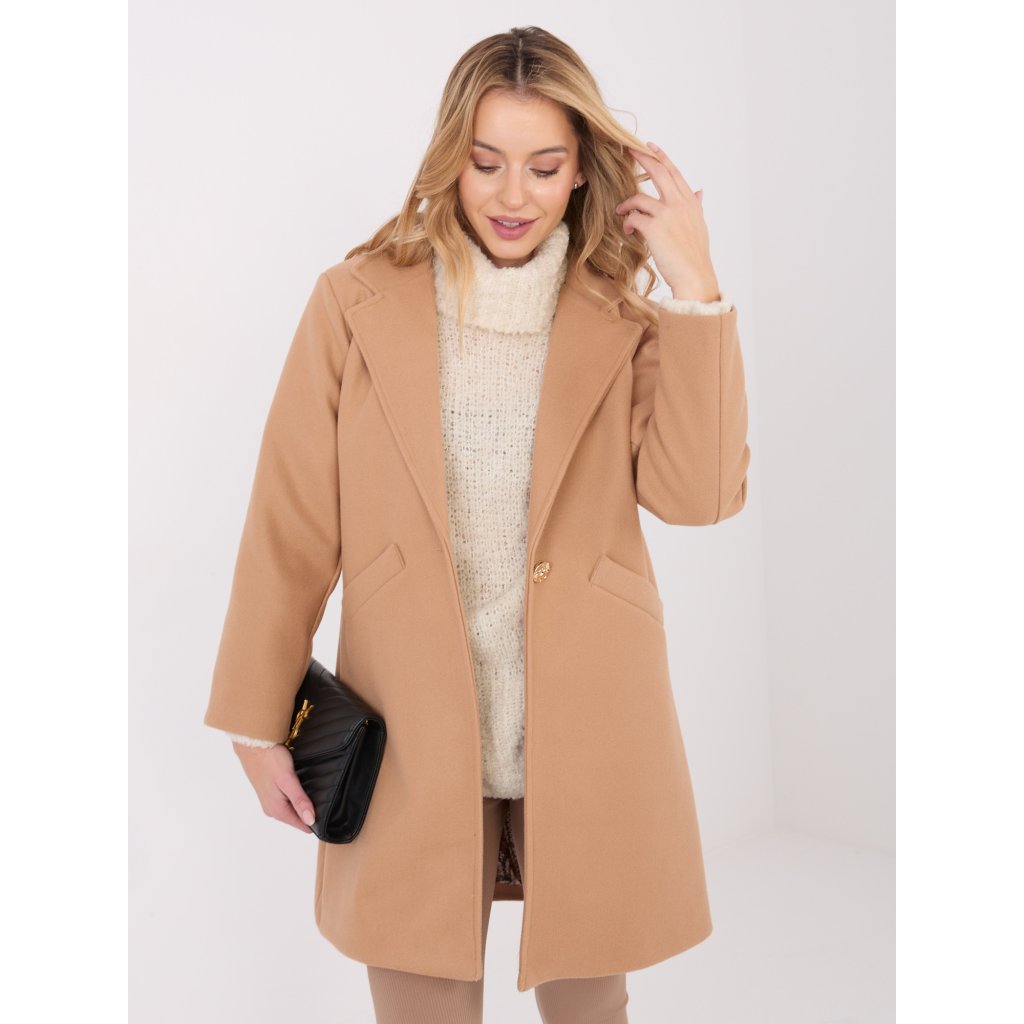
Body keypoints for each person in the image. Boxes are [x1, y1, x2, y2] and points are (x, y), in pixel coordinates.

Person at [205, 24, 749, 1024]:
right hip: (408, 724)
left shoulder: (625, 317)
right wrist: (254, 717)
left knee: (591, 1004)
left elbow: (699, 496)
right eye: (486, 161)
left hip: (588, 724)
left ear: (581, 171)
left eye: (544, 166)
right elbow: (291, 520)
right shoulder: (354, 302)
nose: (512, 195)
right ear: (450, 156)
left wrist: (696, 289)